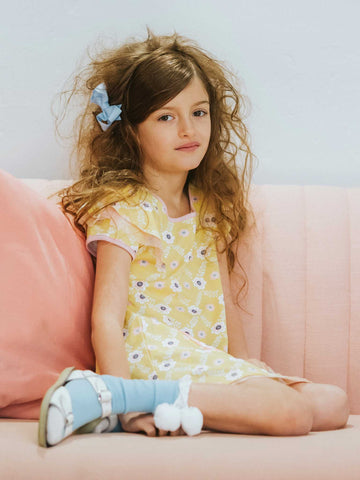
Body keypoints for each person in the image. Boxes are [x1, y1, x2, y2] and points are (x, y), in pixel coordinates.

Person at [39, 28, 349, 447]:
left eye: (199, 112)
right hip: (153, 359)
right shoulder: (124, 208)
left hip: (201, 361)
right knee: (290, 412)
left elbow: (224, 307)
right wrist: (124, 404)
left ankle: (186, 405)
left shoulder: (208, 206)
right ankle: (116, 397)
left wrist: (245, 370)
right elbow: (106, 319)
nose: (188, 129)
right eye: (166, 117)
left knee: (333, 404)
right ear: (130, 131)